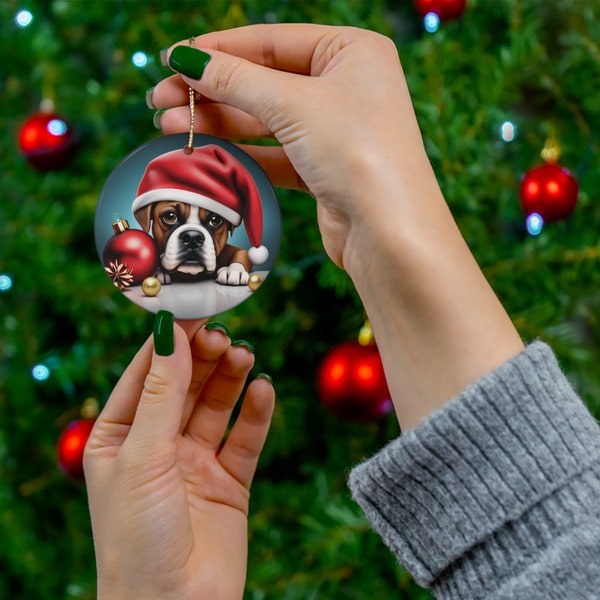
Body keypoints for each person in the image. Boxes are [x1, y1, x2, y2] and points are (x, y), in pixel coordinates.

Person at [84, 24, 600, 599]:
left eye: (209, 224)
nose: (191, 235)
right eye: (171, 221)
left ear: (227, 233)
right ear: (147, 223)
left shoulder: (235, 257)